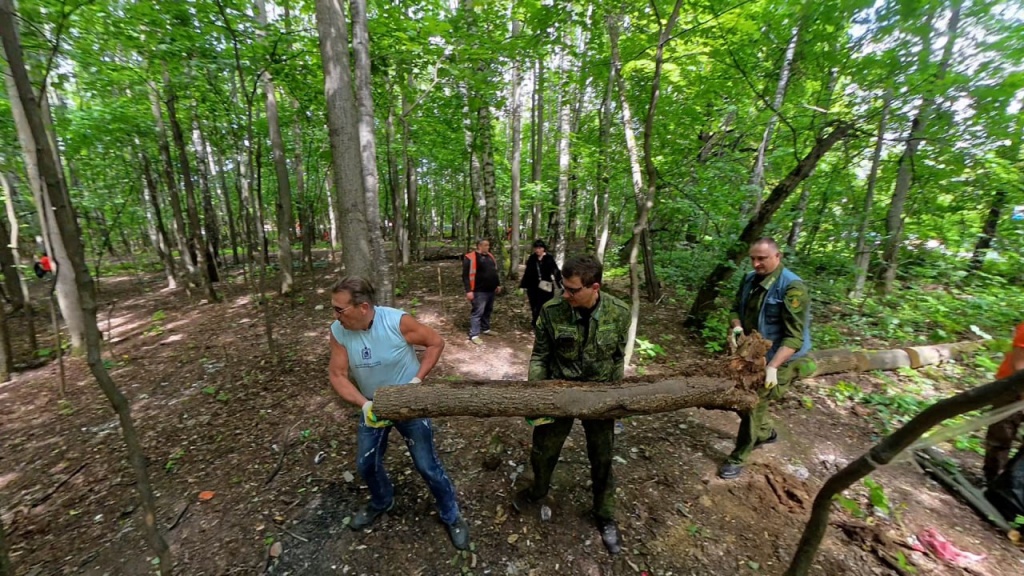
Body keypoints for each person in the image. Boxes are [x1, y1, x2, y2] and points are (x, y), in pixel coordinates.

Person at [327, 276, 470, 550]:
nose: (335, 315)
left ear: (363, 307)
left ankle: (451, 515)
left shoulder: (396, 322)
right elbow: (337, 374)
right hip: (374, 404)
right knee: (366, 464)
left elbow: (436, 342)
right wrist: (364, 404)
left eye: (339, 309)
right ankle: (382, 500)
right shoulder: (339, 330)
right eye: (334, 308)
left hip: (408, 403)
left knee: (427, 465)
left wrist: (416, 382)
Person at [512, 254, 631, 555]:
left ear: (595, 288)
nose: (565, 294)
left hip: (600, 396)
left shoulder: (619, 312)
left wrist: (614, 398)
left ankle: (605, 515)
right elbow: (540, 356)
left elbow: (618, 357)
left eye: (573, 290)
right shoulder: (552, 311)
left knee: (603, 459)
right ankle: (538, 489)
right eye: (563, 287)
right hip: (559, 394)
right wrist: (537, 396)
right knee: (543, 451)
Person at [720, 237, 811, 480]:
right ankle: (765, 432)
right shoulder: (750, 279)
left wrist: (773, 367)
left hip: (780, 356)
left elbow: (795, 337)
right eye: (753, 258)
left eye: (762, 258)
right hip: (750, 354)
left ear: (777, 256)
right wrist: (737, 326)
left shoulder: (792, 287)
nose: (756, 263)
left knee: (753, 402)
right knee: (739, 397)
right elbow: (734, 309)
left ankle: (738, 457)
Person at [982, 322, 1024, 484]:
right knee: (1001, 435)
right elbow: (1020, 361)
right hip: (1011, 388)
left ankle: (1011, 484)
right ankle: (992, 479)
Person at [463, 238, 502, 345]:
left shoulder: (490, 256)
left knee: (488, 310)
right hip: (478, 290)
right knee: (478, 312)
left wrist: (497, 284)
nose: (487, 247)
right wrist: (469, 291)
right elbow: (465, 276)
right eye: (485, 245)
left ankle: (485, 328)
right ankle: (474, 334)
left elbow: (494, 271)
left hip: (490, 290)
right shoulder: (470, 257)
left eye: (488, 245)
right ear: (479, 246)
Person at [519, 239, 562, 328]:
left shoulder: (549, 258)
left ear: (543, 249)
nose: (537, 250)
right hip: (533, 286)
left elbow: (555, 271)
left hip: (546, 286)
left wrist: (560, 284)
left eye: (539, 248)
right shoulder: (532, 258)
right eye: (536, 248)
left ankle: (542, 322)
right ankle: (536, 322)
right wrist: (523, 286)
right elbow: (527, 272)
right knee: (534, 305)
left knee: (544, 305)